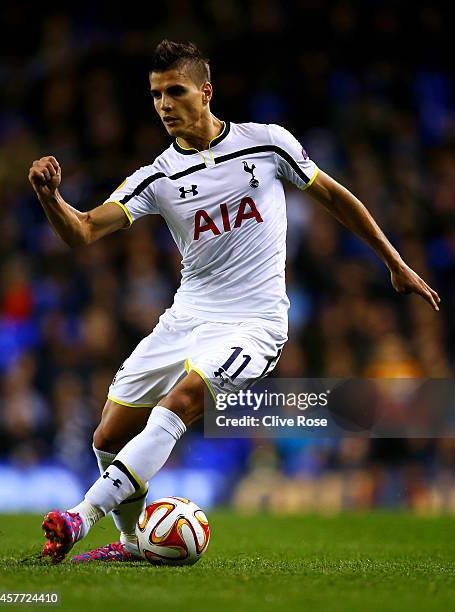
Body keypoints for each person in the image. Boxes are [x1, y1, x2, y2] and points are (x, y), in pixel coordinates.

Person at [28, 40, 440, 564]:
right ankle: (133, 544)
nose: (163, 105)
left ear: (206, 91)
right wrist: (51, 200)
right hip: (187, 316)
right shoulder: (157, 176)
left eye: (175, 91)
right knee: (107, 434)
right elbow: (83, 231)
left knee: (181, 401)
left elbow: (335, 196)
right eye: (156, 95)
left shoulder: (266, 145)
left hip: (254, 322)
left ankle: (78, 518)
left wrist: (394, 262)